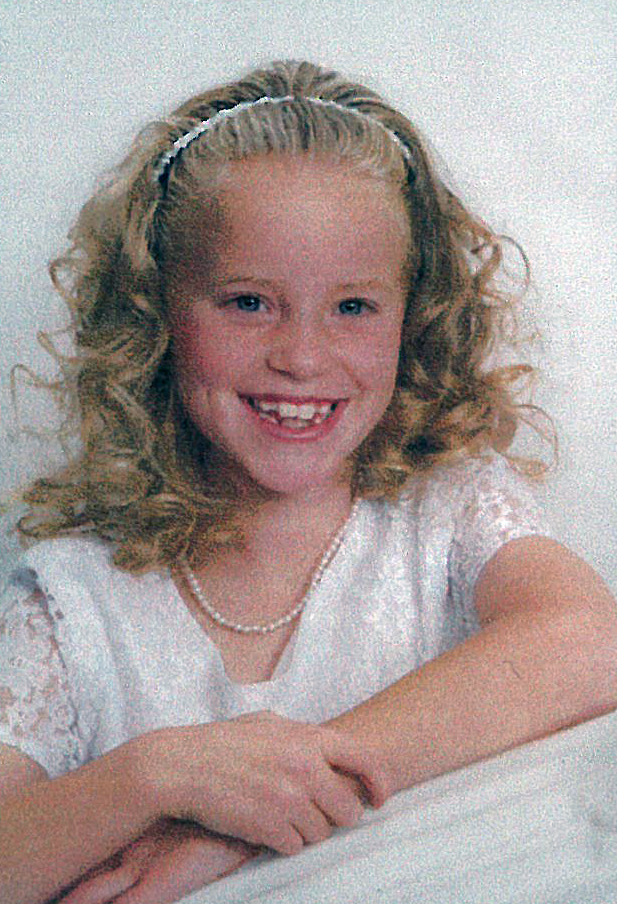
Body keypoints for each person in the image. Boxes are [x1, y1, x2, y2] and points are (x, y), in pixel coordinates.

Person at [1, 59, 615, 904]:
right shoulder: (76, 599)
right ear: (155, 310)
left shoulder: (448, 512)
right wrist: (160, 775)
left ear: (413, 318)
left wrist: (247, 818)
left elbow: (592, 643)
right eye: (247, 302)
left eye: (353, 307)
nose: (300, 356)